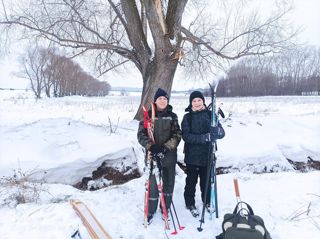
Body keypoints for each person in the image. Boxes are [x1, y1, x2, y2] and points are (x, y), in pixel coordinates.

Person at [137, 88, 181, 224]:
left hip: (169, 156)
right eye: (160, 99)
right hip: (152, 157)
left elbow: (177, 135)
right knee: (153, 185)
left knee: (168, 183)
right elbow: (141, 135)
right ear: (155, 101)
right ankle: (150, 211)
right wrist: (152, 147)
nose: (163, 101)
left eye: (165, 99)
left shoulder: (172, 116)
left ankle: (165, 208)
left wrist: (165, 148)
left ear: (168, 101)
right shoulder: (148, 115)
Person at [181, 90, 225, 217]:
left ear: (203, 101)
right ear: (191, 103)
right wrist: (205, 137)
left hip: (208, 155)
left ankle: (207, 202)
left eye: (199, 100)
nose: (197, 103)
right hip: (192, 156)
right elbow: (186, 136)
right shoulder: (187, 117)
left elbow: (222, 133)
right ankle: (190, 203)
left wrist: (216, 132)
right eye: (194, 101)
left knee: (206, 181)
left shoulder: (211, 115)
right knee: (191, 182)